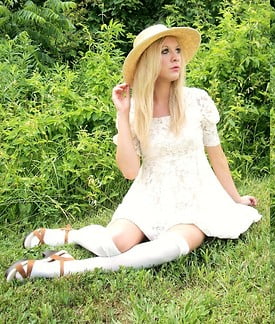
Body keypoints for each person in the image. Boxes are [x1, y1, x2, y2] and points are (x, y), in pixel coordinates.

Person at [6, 24, 261, 281]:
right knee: (111, 242)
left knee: (168, 249)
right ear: (149, 60)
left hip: (197, 198)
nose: (176, 57)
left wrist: (235, 198)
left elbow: (217, 156)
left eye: (177, 50)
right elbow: (130, 171)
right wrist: (122, 114)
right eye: (164, 51)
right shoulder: (134, 108)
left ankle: (64, 268)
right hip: (149, 195)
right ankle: (66, 236)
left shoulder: (197, 99)